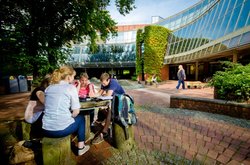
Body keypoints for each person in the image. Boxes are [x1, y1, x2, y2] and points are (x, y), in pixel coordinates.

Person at [42, 66, 90, 156]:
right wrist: (70, 117)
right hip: (59, 130)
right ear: (68, 77)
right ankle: (81, 147)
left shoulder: (49, 88)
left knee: (73, 119)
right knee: (81, 119)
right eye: (73, 77)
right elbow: (76, 111)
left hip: (45, 129)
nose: (73, 79)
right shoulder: (70, 87)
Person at [92, 72, 125, 144]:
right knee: (101, 108)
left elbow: (108, 94)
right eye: (102, 83)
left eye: (104, 83)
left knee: (110, 111)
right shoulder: (104, 82)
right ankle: (107, 120)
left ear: (108, 80)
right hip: (113, 99)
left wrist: (102, 95)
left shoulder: (113, 82)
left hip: (121, 101)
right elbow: (99, 93)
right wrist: (92, 96)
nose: (103, 85)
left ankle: (104, 132)